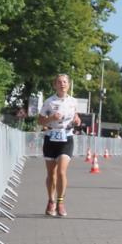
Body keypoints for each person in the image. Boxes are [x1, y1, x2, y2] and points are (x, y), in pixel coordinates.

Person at [38, 74, 81, 218]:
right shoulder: (49, 101)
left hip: (66, 138)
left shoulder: (73, 101)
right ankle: (51, 201)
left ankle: (60, 202)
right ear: (55, 85)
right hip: (51, 138)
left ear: (68, 84)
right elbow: (40, 121)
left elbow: (76, 117)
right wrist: (51, 118)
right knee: (51, 174)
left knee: (61, 172)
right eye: (59, 82)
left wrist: (77, 120)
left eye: (64, 82)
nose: (62, 84)